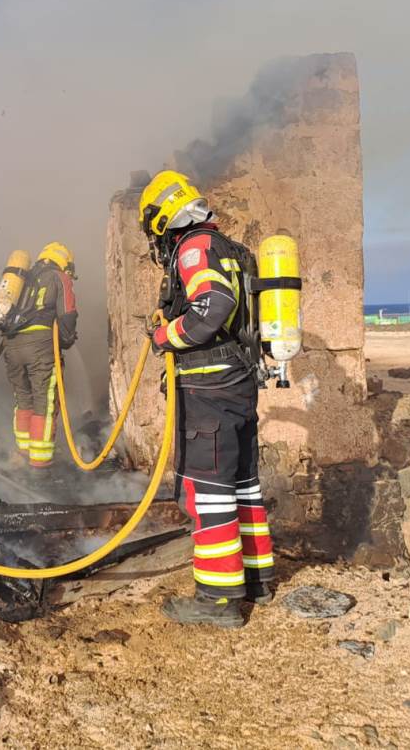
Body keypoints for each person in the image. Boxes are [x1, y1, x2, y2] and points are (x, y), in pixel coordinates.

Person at [137, 171, 275, 627]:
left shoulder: (194, 249)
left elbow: (212, 307)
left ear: (162, 218)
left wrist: (165, 336)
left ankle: (217, 600)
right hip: (238, 381)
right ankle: (257, 580)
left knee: (209, 491)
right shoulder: (234, 250)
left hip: (207, 388)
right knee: (241, 484)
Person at [0, 243, 78, 468]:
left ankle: (22, 455)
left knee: (23, 398)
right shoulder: (58, 277)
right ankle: (40, 466)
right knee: (45, 402)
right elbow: (67, 314)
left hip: (11, 345)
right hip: (40, 347)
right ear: (64, 262)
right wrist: (66, 340)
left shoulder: (23, 277)